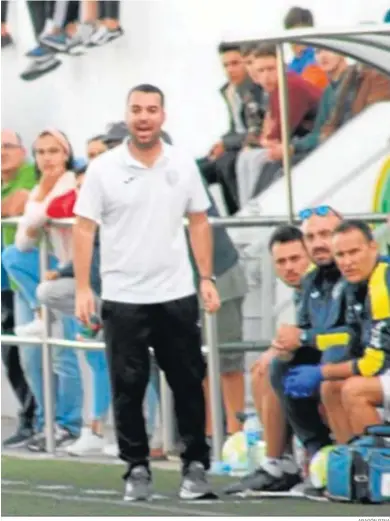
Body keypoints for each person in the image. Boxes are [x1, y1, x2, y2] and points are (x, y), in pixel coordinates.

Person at [73, 84, 220, 501]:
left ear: (162, 116)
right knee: (128, 385)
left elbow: (199, 220)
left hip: (175, 293)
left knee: (189, 381)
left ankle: (195, 466)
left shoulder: (182, 163)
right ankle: (136, 467)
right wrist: (85, 287)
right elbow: (84, 227)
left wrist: (206, 278)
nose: (143, 117)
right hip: (123, 296)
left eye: (151, 110)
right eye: (136, 109)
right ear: (127, 115)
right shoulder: (103, 168)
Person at [2, 129, 83, 452]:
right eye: (42, 152)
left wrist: (38, 205)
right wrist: (40, 202)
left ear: (66, 154)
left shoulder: (70, 185)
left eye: (53, 151)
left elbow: (40, 218)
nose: (47, 158)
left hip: (64, 278)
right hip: (34, 280)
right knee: (30, 356)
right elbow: (24, 239)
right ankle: (43, 423)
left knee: (64, 355)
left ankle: (69, 424)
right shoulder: (41, 187)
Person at [268, 207, 356, 499]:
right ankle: (315, 451)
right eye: (311, 236)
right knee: (280, 366)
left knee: (330, 363)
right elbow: (305, 336)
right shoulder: (311, 281)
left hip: (365, 359)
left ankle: (352, 464)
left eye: (326, 234)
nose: (318, 242)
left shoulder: (359, 273)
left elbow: (355, 334)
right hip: (333, 358)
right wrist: (287, 346)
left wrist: (304, 337)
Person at [285, 220, 390, 442]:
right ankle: (351, 463)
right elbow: (351, 335)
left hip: (382, 366)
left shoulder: (382, 285)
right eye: (340, 255)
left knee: (354, 390)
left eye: (354, 252)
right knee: (331, 388)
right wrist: (305, 339)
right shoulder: (354, 284)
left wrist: (321, 371)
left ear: (373, 248)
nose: (348, 262)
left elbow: (374, 364)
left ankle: (380, 467)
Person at [225, 225, 310, 495]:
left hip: (350, 366)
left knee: (276, 366)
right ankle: (280, 463)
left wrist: (294, 343)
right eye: (281, 262)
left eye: (296, 259)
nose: (289, 267)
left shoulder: (327, 282)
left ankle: (309, 464)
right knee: (263, 367)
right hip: (326, 361)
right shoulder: (303, 291)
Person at [36, 167, 111, 456]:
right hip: (95, 296)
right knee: (92, 356)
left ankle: (147, 435)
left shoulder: (115, 214)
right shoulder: (88, 212)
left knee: (130, 364)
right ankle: (92, 428)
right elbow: (53, 209)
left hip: (121, 297)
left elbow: (100, 256)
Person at [197, 43, 264, 214]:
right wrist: (221, 142)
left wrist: (226, 144)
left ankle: (237, 213)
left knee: (225, 163)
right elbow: (235, 126)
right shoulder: (229, 91)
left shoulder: (254, 89)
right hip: (235, 144)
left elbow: (255, 130)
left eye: (235, 63)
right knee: (196, 169)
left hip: (249, 145)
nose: (230, 70)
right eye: (225, 65)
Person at [1, 130, 37, 447]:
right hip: (6, 283)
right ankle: (30, 419)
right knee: (11, 354)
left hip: (23, 281)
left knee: (30, 353)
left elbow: (14, 206)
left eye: (7, 146)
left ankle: (38, 420)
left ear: (22, 150)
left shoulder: (29, 171)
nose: (2, 152)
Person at [284, 6, 328, 90]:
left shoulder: (317, 61)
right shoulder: (290, 66)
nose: (295, 39)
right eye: (290, 33)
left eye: (299, 33)